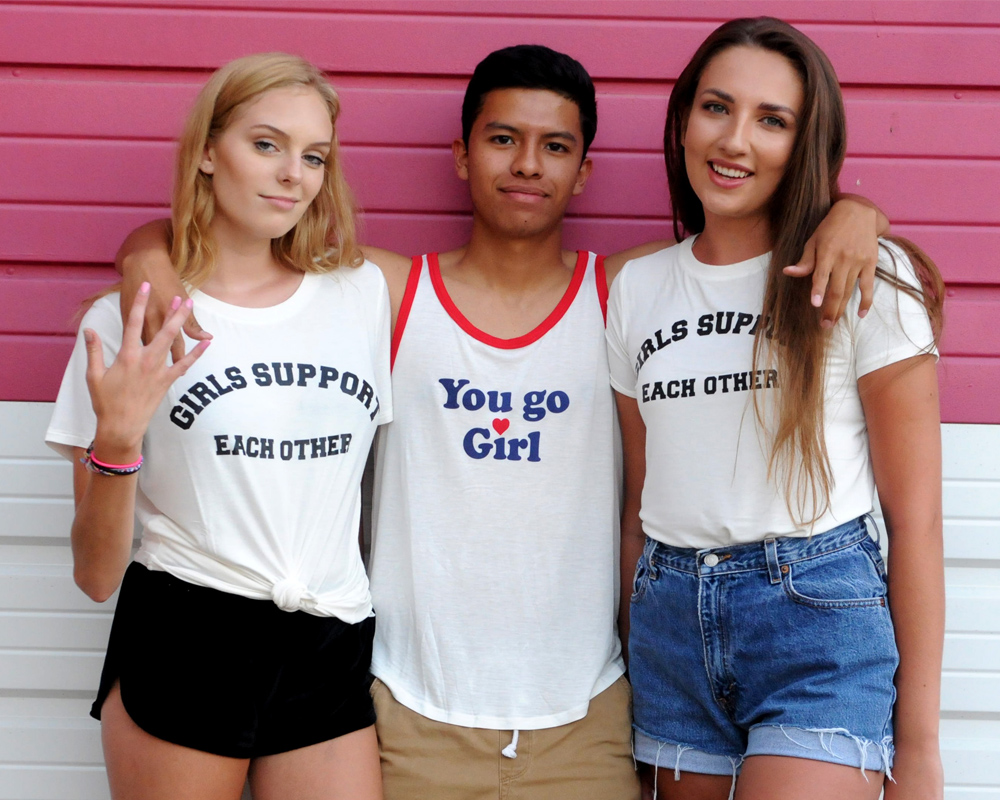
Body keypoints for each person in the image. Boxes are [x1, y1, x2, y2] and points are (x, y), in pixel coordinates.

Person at [112, 45, 889, 800]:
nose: (527, 164)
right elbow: (239, 249)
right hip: (407, 708)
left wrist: (855, 211)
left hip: (584, 717)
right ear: (462, 155)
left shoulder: (626, 292)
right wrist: (144, 253)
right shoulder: (384, 292)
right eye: (502, 139)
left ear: (583, 171)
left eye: (556, 147)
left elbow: (742, 248)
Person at [607, 17, 945, 800]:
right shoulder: (637, 290)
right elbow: (637, 506)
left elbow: (918, 520)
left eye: (772, 120)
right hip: (670, 627)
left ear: (805, 143)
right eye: (716, 108)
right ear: (683, 120)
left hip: (816, 619)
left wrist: (920, 746)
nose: (734, 141)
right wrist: (632, 658)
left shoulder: (863, 276)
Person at [44, 53, 391, 800]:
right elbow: (96, 576)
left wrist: (143, 246)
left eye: (314, 156)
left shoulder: (362, 294)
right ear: (207, 151)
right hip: (189, 634)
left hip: (330, 634)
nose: (293, 174)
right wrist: (118, 441)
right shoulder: (129, 321)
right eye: (266, 144)